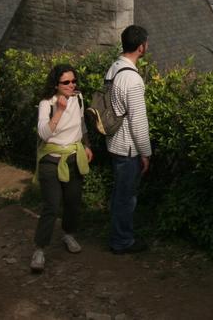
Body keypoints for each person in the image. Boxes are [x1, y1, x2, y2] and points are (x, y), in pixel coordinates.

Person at [30, 64, 93, 273]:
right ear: (56, 84)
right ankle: (40, 248)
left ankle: (68, 234)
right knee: (52, 205)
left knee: (73, 201)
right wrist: (59, 110)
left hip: (74, 155)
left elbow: (81, 123)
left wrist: (86, 145)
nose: (71, 85)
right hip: (51, 157)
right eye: (66, 82)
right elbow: (43, 134)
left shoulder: (79, 98)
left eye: (73, 81)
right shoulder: (46, 104)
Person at [106, 25, 152, 254]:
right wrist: (146, 153)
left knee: (119, 194)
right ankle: (122, 241)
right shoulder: (133, 80)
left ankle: (117, 234)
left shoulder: (113, 68)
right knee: (126, 197)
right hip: (127, 147)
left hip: (113, 142)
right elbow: (138, 121)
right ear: (141, 47)